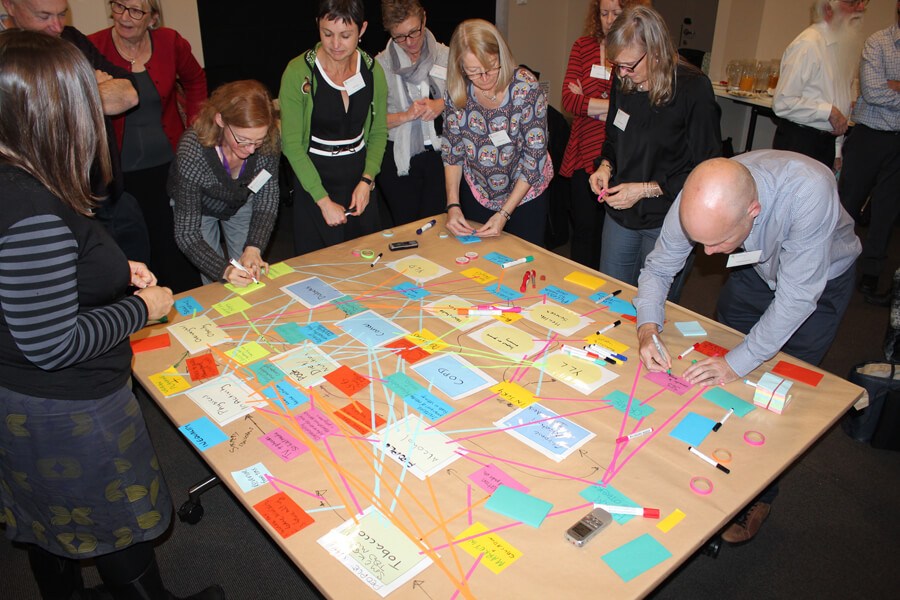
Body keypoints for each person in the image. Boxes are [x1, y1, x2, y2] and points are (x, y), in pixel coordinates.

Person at [0, 30, 223, 600]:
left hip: (23, 401)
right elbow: (52, 344)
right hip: (69, 411)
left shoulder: (17, 179)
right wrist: (139, 309)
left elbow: (36, 279)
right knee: (119, 530)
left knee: (49, 527)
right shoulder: (31, 205)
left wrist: (109, 267)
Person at [633, 151, 860, 543]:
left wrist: (737, 363)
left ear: (753, 211)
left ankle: (759, 495)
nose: (706, 255)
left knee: (774, 397)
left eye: (716, 241)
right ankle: (709, 470)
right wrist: (646, 327)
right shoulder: (700, 194)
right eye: (699, 241)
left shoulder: (809, 191)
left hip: (818, 284)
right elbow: (659, 266)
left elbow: (795, 300)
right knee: (715, 381)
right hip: (753, 267)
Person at [0, 0, 153, 264]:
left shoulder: (71, 38)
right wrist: (91, 85)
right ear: (9, 6)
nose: (57, 26)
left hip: (106, 191)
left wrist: (69, 94)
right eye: (44, 16)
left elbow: (129, 93)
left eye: (62, 14)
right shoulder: (7, 53)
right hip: (57, 205)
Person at [588, 5, 720, 301]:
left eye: (629, 65)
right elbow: (613, 137)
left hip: (668, 217)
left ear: (656, 50)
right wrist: (605, 167)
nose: (622, 73)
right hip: (621, 213)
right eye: (616, 65)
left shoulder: (693, 88)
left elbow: (707, 170)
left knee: (654, 304)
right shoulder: (624, 78)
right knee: (611, 298)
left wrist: (646, 189)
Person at [89, 0, 207, 294]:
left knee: (174, 242)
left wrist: (196, 125)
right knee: (134, 244)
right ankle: (141, 309)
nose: (125, 17)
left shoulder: (170, 42)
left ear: (153, 17)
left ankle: (186, 309)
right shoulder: (93, 46)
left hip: (169, 166)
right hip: (119, 172)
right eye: (118, 6)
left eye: (136, 10)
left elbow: (195, 80)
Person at [280, 0, 387, 255]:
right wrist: (323, 200)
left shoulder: (372, 70)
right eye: (327, 34)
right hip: (314, 180)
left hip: (358, 180)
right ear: (318, 26)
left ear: (362, 30)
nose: (336, 44)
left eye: (345, 35)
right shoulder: (299, 72)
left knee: (366, 265)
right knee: (320, 270)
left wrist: (367, 180)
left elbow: (379, 132)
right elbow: (292, 145)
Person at [442, 19, 553, 246]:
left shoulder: (526, 88)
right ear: (460, 67)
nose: (485, 78)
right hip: (479, 190)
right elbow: (452, 153)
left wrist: (504, 213)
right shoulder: (457, 92)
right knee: (479, 263)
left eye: (491, 67)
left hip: (525, 192)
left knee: (523, 261)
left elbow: (534, 159)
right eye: (474, 71)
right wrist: (453, 205)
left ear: (501, 56)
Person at [168, 80, 280, 287]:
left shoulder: (268, 140)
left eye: (258, 141)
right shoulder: (193, 152)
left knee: (249, 270)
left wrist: (254, 247)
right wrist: (224, 271)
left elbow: (267, 198)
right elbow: (187, 233)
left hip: (240, 199)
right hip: (199, 207)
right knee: (216, 279)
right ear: (220, 120)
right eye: (243, 140)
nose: (251, 150)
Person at [838, 1, 900, 300]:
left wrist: (894, 85)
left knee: (887, 211)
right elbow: (874, 91)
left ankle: (872, 273)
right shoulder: (879, 42)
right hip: (870, 136)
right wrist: (887, 87)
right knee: (847, 203)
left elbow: (883, 90)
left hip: (898, 141)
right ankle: (834, 263)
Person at [560, 0, 624, 268]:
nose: (609, 20)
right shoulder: (582, 47)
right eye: (604, 13)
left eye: (616, 13)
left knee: (612, 235)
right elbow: (568, 101)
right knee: (584, 231)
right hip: (583, 152)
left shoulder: (636, 52)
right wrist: (614, 109)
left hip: (620, 152)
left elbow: (635, 109)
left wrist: (590, 103)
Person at [375, 0, 448, 227]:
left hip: (440, 155)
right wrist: (406, 115)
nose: (409, 42)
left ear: (424, 19)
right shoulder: (380, 65)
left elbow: (467, 100)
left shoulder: (445, 55)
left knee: (436, 228)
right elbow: (371, 122)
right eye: (400, 37)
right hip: (398, 158)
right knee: (407, 230)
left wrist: (441, 105)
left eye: (414, 32)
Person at [772, 0, 867, 169]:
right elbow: (782, 102)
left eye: (862, 2)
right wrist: (828, 111)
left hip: (826, 141)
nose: (861, 8)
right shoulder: (808, 44)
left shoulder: (843, 45)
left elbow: (839, 103)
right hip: (801, 142)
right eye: (853, 3)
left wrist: (837, 152)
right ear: (829, 8)